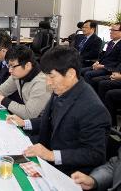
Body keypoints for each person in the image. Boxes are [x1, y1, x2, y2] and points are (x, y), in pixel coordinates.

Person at [7, 46, 111, 176]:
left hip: (68, 172)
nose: (48, 83)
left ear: (71, 73)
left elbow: (95, 154)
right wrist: (25, 122)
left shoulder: (92, 108)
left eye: (51, 77)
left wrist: (51, 155)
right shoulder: (63, 88)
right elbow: (52, 120)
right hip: (45, 150)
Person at [0, 45, 51, 119]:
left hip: (40, 125)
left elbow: (29, 114)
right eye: (9, 66)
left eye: (13, 66)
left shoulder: (41, 83)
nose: (10, 70)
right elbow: (2, 90)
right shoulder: (18, 75)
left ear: (27, 65)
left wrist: (3, 100)